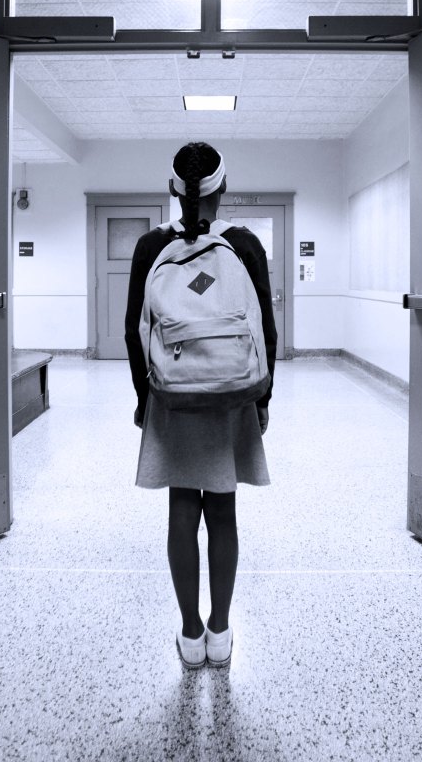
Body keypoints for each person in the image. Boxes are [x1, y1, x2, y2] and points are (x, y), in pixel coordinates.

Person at [124, 142, 277, 670]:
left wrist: (148, 401)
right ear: (223, 190)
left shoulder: (150, 248)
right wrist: (261, 400)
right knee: (225, 512)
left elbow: (133, 331)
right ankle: (221, 630)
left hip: (173, 398)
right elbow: (266, 331)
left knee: (182, 512)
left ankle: (189, 635)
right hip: (231, 397)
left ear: (173, 190)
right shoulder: (245, 245)